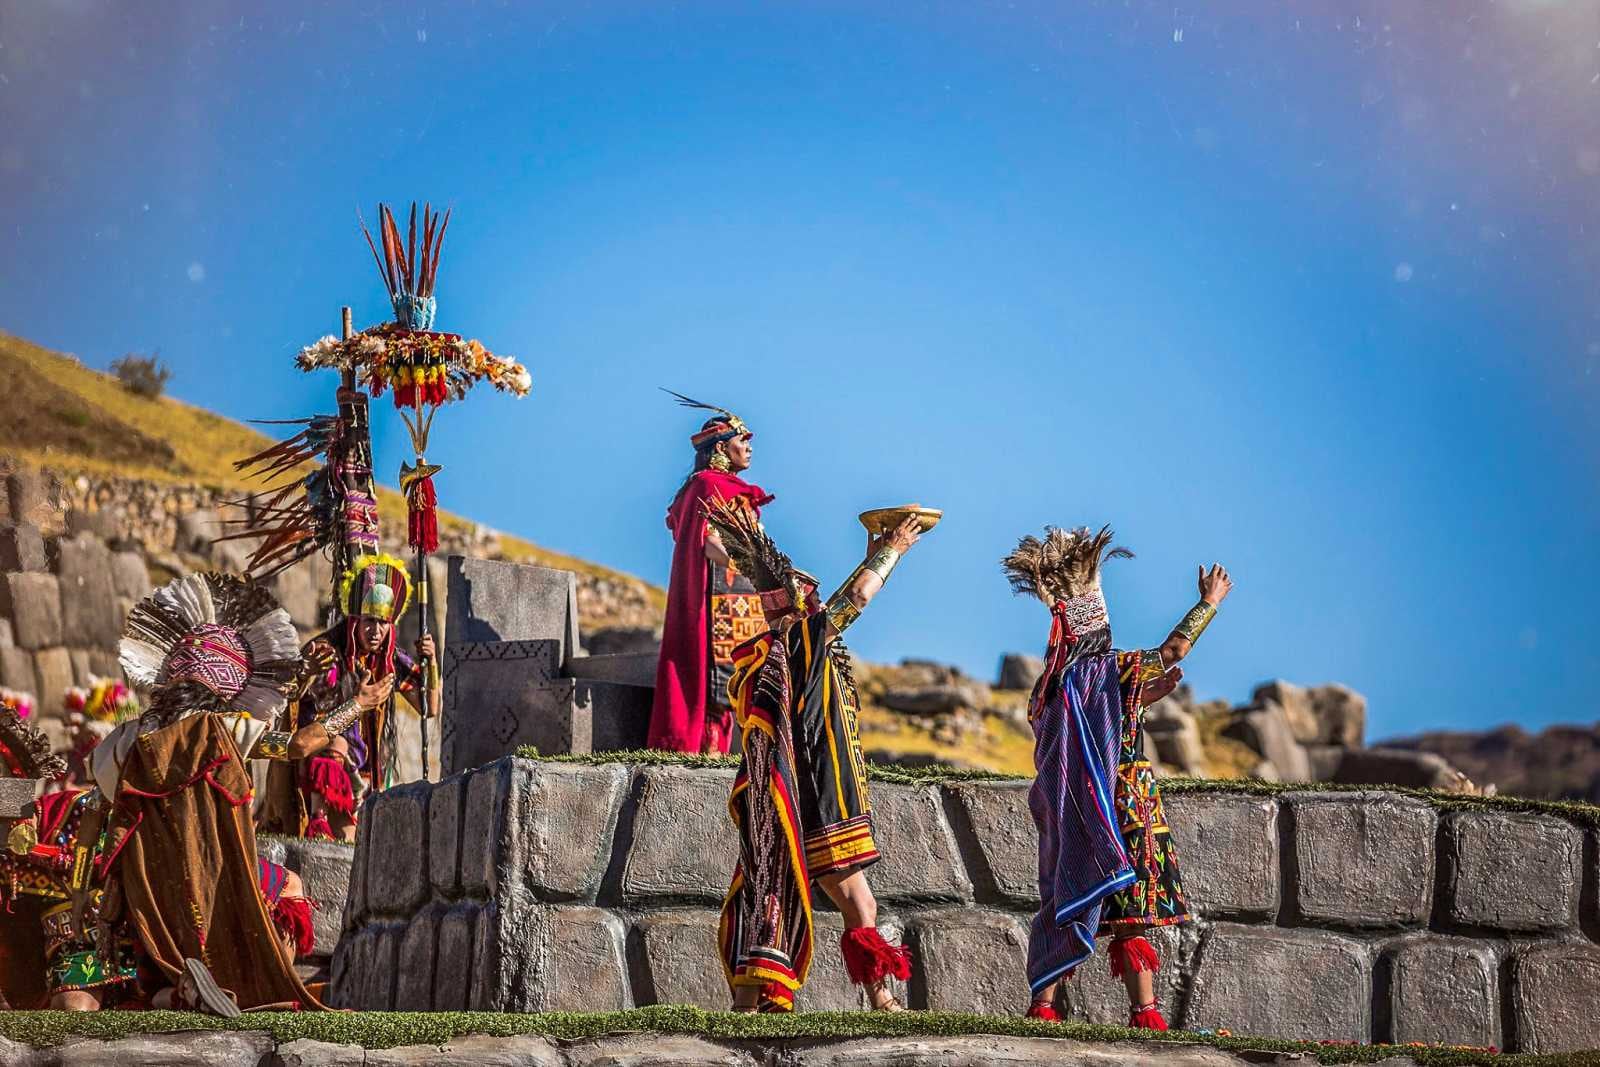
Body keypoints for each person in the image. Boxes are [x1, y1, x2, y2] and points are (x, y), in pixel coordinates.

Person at [86, 571, 349, 1014]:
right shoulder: (222, 729)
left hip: (150, 890)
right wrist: (358, 704)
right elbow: (300, 745)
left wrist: (82, 896)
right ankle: (267, 988)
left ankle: (176, 995)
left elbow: (96, 807)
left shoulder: (122, 741)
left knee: (156, 983)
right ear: (229, 690)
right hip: (215, 875)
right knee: (289, 886)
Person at [1001, 526, 1231, 1030]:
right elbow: (1170, 653)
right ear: (1100, 628)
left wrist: (1143, 700)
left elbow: (1086, 727)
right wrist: (1207, 604)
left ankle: (1043, 1007)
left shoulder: (1052, 682)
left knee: (1062, 901)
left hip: (1068, 808)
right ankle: (1144, 1012)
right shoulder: (1114, 670)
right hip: (1124, 798)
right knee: (1131, 908)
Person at [705, 499, 924, 1013]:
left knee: (777, 898)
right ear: (802, 606)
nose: (820, 603)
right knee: (857, 903)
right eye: (813, 597)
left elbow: (839, 608)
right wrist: (892, 551)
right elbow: (855, 601)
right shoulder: (802, 641)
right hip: (818, 804)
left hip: (800, 802)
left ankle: (749, 1001)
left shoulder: (780, 652)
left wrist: (870, 552)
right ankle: (880, 998)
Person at [259, 552, 438, 841]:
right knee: (336, 749)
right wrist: (308, 676)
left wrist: (431, 663)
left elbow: (430, 707)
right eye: (369, 620)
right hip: (313, 762)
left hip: (365, 771)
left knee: (354, 848)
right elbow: (290, 695)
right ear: (354, 619)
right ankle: (318, 819)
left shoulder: (390, 660)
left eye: (382, 622)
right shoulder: (325, 651)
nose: (375, 631)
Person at [649, 392, 774, 754]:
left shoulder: (731, 490)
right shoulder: (706, 486)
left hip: (741, 599)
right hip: (712, 598)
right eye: (742, 441)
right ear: (721, 448)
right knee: (711, 686)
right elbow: (707, 542)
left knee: (736, 687)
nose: (749, 448)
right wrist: (754, 566)